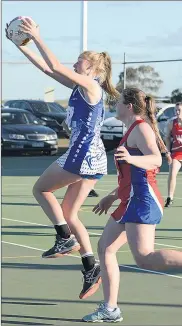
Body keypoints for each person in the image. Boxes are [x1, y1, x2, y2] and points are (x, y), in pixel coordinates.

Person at [5, 18, 119, 299]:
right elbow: (46, 68)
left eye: (79, 61)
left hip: (82, 154)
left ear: (92, 68)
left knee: (41, 189)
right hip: (92, 156)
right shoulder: (81, 86)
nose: (75, 64)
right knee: (69, 213)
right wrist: (19, 45)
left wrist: (37, 37)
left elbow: (55, 65)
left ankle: (64, 238)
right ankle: (91, 266)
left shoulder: (91, 86)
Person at [82, 88, 182, 322]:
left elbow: (156, 159)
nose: (114, 105)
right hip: (129, 199)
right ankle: (110, 308)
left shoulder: (141, 128)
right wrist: (113, 195)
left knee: (144, 257)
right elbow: (132, 176)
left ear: (128, 106)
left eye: (117, 102)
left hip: (142, 200)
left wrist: (131, 158)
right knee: (105, 248)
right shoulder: (131, 129)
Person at [62, 119, 99, 198]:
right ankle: (84, 188)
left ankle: (88, 188)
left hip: (90, 145)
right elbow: (64, 123)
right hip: (79, 146)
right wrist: (70, 133)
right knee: (82, 167)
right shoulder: (79, 115)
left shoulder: (92, 117)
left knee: (90, 168)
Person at [164, 102, 182, 207]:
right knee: (172, 173)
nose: (177, 112)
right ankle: (170, 198)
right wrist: (168, 152)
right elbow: (167, 138)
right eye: (176, 110)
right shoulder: (172, 123)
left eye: (179, 110)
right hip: (177, 152)